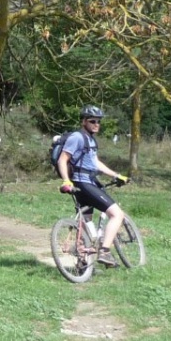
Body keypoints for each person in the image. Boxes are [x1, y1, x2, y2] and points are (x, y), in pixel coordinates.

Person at [56, 105, 130, 265]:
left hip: (87, 182)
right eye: (92, 121)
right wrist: (66, 180)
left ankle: (82, 261)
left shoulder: (90, 139)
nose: (96, 124)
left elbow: (96, 163)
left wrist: (116, 175)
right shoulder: (77, 137)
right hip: (83, 183)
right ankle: (105, 251)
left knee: (86, 221)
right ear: (84, 121)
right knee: (117, 214)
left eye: (98, 121)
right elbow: (63, 159)